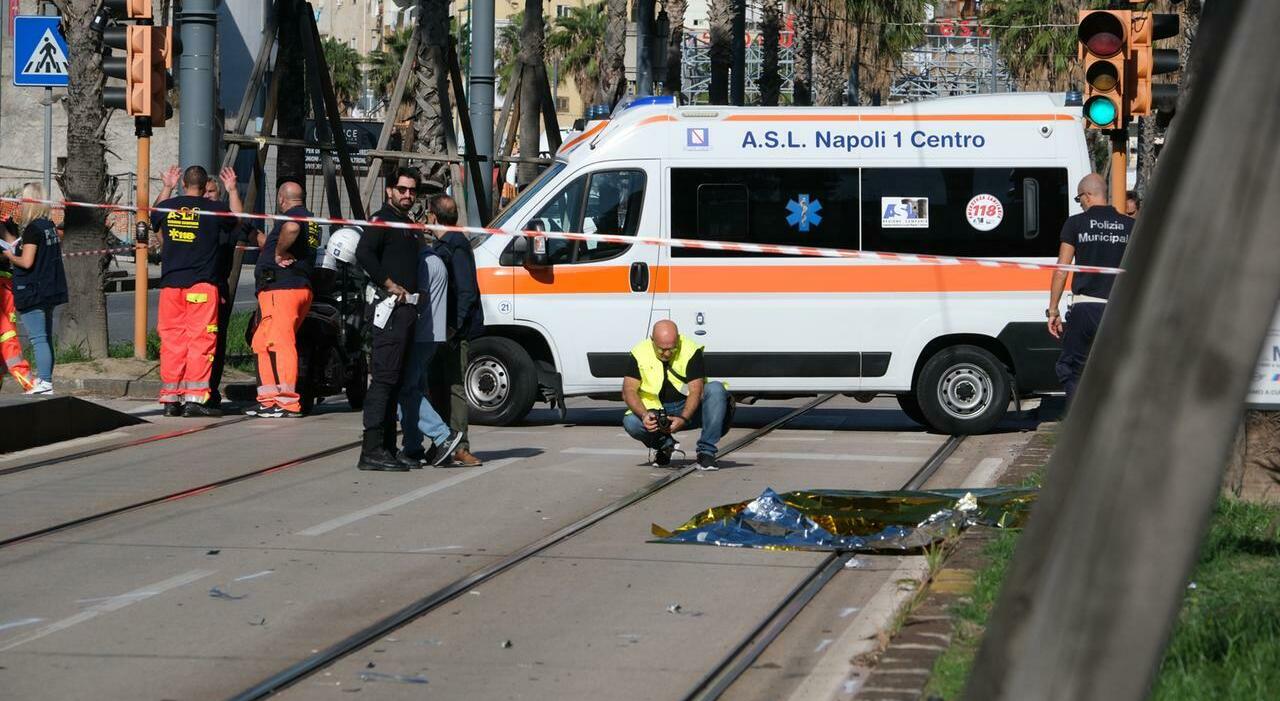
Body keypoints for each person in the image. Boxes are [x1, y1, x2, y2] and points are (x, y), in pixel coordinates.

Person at [152, 166, 240, 416]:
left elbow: (153, 216)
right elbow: (238, 220)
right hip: (201, 286)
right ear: (204, 188)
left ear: (183, 183)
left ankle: (171, 400)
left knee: (172, 342)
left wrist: (167, 187)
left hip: (171, 287)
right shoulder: (214, 209)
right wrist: (232, 189)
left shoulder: (170, 206)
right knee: (200, 342)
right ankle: (195, 400)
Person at [354, 168, 422, 471]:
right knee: (383, 379)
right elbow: (364, 253)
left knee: (394, 380)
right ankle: (371, 450)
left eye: (411, 190)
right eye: (402, 189)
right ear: (389, 191)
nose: (407, 194)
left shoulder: (406, 222)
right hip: (390, 310)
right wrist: (389, 284)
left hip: (407, 313)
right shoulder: (382, 220)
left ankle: (388, 447)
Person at [1048, 173, 1133, 404]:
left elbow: (1061, 270)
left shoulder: (1076, 223)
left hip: (1086, 308)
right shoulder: (1130, 225)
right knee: (1117, 368)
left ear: (1087, 196)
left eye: (1079, 199)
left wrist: (1053, 310)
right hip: (1121, 310)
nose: (1081, 203)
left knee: (1071, 367)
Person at [246, 181, 318, 418]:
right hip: (296, 288)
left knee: (281, 342)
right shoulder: (313, 220)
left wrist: (278, 253)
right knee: (261, 342)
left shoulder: (294, 217)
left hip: (282, 289)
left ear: (281, 199)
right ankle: (268, 399)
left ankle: (287, 401)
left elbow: (291, 228)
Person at [621, 319, 734, 470]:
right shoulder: (639, 352)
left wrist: (683, 418)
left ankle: (706, 453)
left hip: (689, 408)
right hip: (657, 411)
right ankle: (665, 446)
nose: (667, 354)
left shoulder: (690, 349)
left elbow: (696, 390)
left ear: (678, 339)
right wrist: (644, 415)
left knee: (715, 389)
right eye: (661, 350)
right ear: (652, 340)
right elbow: (628, 390)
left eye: (672, 349)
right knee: (631, 422)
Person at [396, 227, 464, 467]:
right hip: (432, 335)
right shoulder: (435, 260)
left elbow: (420, 298)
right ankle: (412, 445)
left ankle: (442, 435)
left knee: (405, 389)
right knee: (415, 389)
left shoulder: (424, 263)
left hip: (422, 334)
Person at [427, 194, 485, 467]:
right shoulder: (444, 244)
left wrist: (454, 328)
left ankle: (460, 445)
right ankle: (442, 444)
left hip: (453, 332)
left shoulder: (455, 245)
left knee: (453, 386)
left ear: (432, 216)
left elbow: (466, 292)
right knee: (438, 386)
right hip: (441, 329)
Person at [2, 183, 67, 395]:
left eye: (23, 200)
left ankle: (45, 382)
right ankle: (46, 381)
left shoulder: (32, 229)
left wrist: (11, 257)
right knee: (45, 338)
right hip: (48, 289)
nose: (20, 204)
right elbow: (24, 248)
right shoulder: (48, 226)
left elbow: (26, 261)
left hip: (33, 291)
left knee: (38, 339)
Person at [0, 216, 37, 392]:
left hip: (6, 285)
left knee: (7, 338)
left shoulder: (5, 223)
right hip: (5, 286)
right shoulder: (5, 224)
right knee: (7, 338)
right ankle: (29, 385)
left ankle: (29, 384)